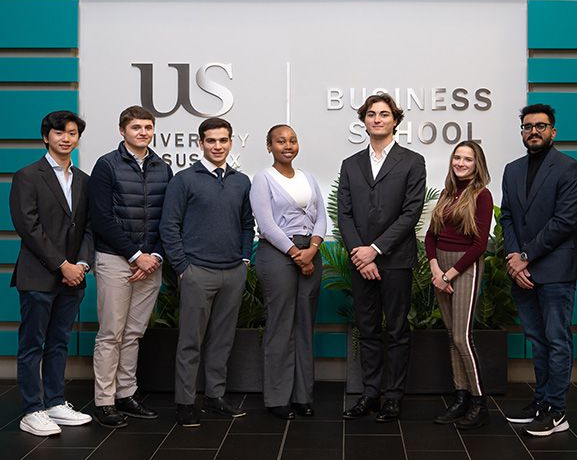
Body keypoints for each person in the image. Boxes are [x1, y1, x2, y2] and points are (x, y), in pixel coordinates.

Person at [338, 93, 426, 422]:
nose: (377, 119)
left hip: (396, 259)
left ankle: (393, 397)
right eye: (371, 114)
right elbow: (344, 214)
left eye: (384, 114)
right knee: (368, 329)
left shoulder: (412, 161)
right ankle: (370, 394)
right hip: (361, 261)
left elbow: (411, 212)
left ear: (395, 120)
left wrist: (375, 250)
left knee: (398, 330)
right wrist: (361, 255)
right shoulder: (350, 164)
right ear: (364, 121)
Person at [160, 117, 254, 427]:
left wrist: (243, 260)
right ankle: (186, 402)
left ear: (231, 142)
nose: (217, 146)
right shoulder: (184, 180)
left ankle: (215, 397)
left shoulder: (241, 181)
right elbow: (169, 226)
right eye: (211, 141)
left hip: (232, 272)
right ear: (200, 143)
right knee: (190, 341)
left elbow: (245, 224)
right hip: (197, 271)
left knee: (222, 340)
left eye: (223, 140)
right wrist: (183, 269)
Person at [500, 104, 577, 436]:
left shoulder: (569, 168)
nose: (533, 131)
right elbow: (507, 217)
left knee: (557, 340)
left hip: (555, 271)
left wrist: (525, 256)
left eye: (541, 126)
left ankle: (557, 410)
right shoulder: (512, 169)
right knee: (537, 340)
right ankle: (541, 402)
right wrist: (513, 257)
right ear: (522, 131)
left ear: (553, 131)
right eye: (527, 126)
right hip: (522, 270)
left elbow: (564, 222)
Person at [9, 110, 94, 436]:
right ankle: (32, 410)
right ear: (46, 137)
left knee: (59, 342)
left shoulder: (83, 180)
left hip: (74, 276)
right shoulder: (28, 176)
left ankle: (56, 403)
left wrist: (82, 265)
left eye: (72, 132)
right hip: (40, 275)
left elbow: (88, 227)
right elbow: (28, 227)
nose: (66, 138)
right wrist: (63, 265)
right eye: (59, 133)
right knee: (33, 344)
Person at [89, 105, 173, 428]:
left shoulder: (162, 168)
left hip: (151, 263)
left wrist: (154, 257)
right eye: (136, 127)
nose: (143, 132)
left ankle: (126, 394)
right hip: (114, 258)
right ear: (122, 130)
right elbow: (101, 218)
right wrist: (136, 255)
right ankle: (104, 401)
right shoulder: (107, 166)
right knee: (111, 333)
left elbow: (168, 218)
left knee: (134, 333)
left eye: (148, 128)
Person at [249, 125, 327, 420]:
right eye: (280, 141)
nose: (288, 145)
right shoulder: (263, 179)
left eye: (293, 140)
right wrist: (297, 255)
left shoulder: (308, 178)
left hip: (311, 252)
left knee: (304, 324)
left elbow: (322, 217)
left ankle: (302, 396)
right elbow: (266, 225)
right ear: (269, 146)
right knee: (281, 324)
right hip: (279, 254)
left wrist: (312, 250)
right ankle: (278, 398)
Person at [425, 141, 493, 430]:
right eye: (457, 157)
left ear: (477, 164)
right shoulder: (447, 193)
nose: (461, 163)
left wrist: (449, 274)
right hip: (441, 268)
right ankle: (460, 396)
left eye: (468, 159)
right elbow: (431, 236)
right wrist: (435, 269)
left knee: (463, 337)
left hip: (464, 268)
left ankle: (479, 402)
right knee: (452, 335)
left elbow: (480, 244)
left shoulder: (482, 195)